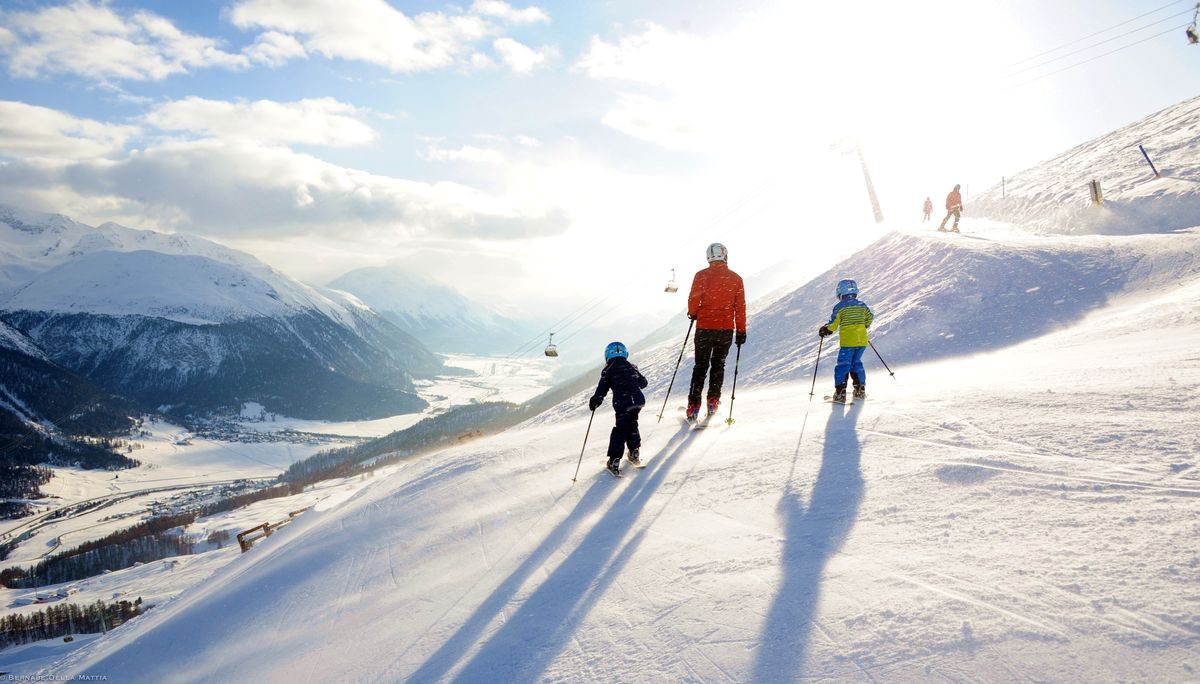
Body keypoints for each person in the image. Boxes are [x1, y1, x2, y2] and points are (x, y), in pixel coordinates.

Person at [686, 242, 747, 422]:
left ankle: (694, 406)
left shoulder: (701, 276)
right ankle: (713, 401)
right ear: (725, 255)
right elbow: (740, 307)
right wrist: (741, 330)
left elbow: (693, 299)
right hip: (725, 330)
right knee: (718, 366)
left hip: (704, 328)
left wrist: (693, 313)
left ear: (708, 257)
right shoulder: (736, 279)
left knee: (700, 367)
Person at [589, 341, 648, 476]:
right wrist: (634, 375)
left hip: (623, 403)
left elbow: (601, 389)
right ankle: (634, 452)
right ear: (625, 353)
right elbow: (644, 383)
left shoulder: (608, 370)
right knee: (632, 424)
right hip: (637, 401)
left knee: (621, 430)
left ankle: (614, 460)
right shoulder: (631, 367)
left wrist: (595, 401)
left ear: (607, 356)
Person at [818, 278, 874, 403]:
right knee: (856, 364)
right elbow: (869, 318)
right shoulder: (862, 305)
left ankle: (840, 392)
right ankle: (860, 389)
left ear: (840, 292)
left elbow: (833, 325)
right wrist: (863, 325)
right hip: (861, 341)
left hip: (848, 342)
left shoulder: (840, 307)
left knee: (843, 365)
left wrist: (825, 329)